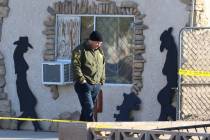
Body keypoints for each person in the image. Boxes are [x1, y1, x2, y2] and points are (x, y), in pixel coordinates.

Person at [72, 31, 105, 121]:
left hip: (96, 85)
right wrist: (82, 80)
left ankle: (80, 131)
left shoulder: (100, 51)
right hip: (83, 85)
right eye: (97, 42)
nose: (99, 45)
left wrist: (102, 80)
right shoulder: (80, 50)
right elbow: (76, 66)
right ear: (91, 41)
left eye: (100, 43)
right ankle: (93, 131)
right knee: (89, 109)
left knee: (86, 109)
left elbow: (103, 65)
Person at [13, 36, 42, 131]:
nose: (26, 49)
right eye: (25, 46)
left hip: (22, 82)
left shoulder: (18, 54)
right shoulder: (17, 55)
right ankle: (35, 126)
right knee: (31, 103)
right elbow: (21, 69)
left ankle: (24, 123)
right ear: (21, 46)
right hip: (21, 83)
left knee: (30, 104)